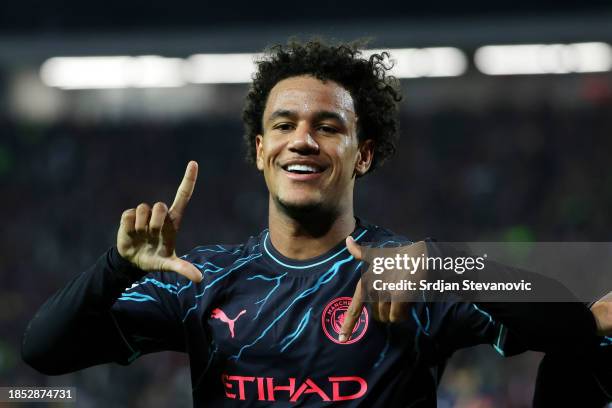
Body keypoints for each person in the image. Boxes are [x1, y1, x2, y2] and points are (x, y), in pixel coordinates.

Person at [21, 39, 612, 406]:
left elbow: (577, 331)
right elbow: (43, 350)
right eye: (283, 125)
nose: (301, 139)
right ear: (260, 150)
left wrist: (446, 267)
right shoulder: (202, 279)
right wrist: (117, 266)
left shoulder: (407, 274)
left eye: (327, 126)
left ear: (366, 152)